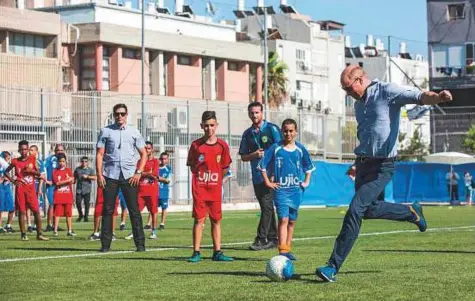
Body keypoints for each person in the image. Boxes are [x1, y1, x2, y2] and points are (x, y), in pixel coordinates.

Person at [315, 65, 453, 282]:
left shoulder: (387, 91)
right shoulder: (359, 105)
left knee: (355, 209)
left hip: (382, 166)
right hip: (363, 164)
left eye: (349, 89)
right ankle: (411, 213)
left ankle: (332, 266)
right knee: (367, 211)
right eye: (344, 91)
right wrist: (358, 162)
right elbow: (368, 134)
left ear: (360, 80)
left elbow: (419, 96)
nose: (347, 94)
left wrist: (438, 97)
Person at [258, 119, 315, 261]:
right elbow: (262, 165)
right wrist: (268, 182)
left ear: (296, 132)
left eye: (291, 131)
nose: (288, 133)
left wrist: (306, 181)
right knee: (283, 219)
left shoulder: (300, 149)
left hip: (296, 190)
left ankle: (287, 249)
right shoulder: (276, 148)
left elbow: (309, 166)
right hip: (281, 190)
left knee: (292, 221)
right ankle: (282, 251)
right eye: (285, 130)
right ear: (281, 131)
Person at [96, 103, 147, 253]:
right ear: (113, 115)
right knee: (108, 210)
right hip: (110, 175)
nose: (119, 116)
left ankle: (140, 244)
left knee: (134, 210)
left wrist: (139, 172)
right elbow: (99, 154)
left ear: (126, 115)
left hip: (129, 176)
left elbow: (144, 153)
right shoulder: (106, 131)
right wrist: (99, 174)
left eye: (122, 114)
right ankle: (105, 245)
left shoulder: (134, 132)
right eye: (117, 114)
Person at [186, 111, 234, 263]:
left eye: (212, 125)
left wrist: (216, 178)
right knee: (199, 220)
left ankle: (217, 252)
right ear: (201, 126)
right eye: (206, 126)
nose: (209, 128)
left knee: (216, 220)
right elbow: (193, 166)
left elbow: (225, 167)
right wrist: (202, 178)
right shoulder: (196, 145)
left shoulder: (222, 146)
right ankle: (196, 252)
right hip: (200, 188)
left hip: (215, 189)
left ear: (217, 126)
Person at [239, 101, 282, 251]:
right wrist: (254, 154)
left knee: (266, 206)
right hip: (257, 176)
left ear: (262, 113)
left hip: (270, 176)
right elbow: (243, 157)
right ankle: (273, 239)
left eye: (257, 112)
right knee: (267, 207)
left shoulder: (272, 129)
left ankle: (260, 238)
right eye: (251, 113)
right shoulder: (247, 134)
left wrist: (274, 174)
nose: (254, 115)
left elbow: (280, 150)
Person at [4, 140, 49, 241]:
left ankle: (39, 234)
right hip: (20, 189)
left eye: (25, 149)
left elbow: (39, 173)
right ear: (19, 150)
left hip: (31, 189)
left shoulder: (32, 159)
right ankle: (23, 234)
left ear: (28, 149)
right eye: (22, 149)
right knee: (22, 211)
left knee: (37, 211)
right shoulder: (15, 161)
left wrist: (31, 171)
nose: (24, 151)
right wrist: (13, 181)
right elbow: (6, 171)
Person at [125, 141, 160, 240]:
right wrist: (145, 173)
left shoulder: (155, 161)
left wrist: (141, 173)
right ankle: (134, 231)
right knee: (135, 212)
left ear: (152, 149)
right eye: (145, 149)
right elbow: (136, 173)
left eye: (149, 148)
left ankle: (153, 232)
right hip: (140, 191)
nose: (147, 150)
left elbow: (153, 174)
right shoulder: (139, 162)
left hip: (152, 191)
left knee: (153, 212)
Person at [146, 151, 172, 231]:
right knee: (152, 208)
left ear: (167, 160)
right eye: (161, 158)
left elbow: (168, 180)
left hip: (164, 191)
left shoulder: (168, 169)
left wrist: (158, 178)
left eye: (165, 159)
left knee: (164, 208)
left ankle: (162, 224)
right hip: (154, 191)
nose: (163, 160)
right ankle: (148, 224)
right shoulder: (156, 167)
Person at [52, 153, 76, 237]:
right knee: (57, 214)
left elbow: (73, 180)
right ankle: (55, 230)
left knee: (69, 214)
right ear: (58, 162)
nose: (62, 163)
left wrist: (70, 180)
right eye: (60, 161)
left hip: (68, 196)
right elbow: (57, 182)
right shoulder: (55, 171)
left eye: (63, 161)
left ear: (66, 161)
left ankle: (69, 230)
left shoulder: (68, 170)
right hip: (58, 196)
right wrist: (67, 180)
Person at [44, 144, 66, 232]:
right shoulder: (49, 159)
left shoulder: (62, 160)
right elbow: (42, 169)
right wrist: (46, 180)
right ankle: (49, 224)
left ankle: (55, 224)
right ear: (55, 151)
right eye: (58, 150)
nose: (59, 152)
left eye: (61, 150)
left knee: (57, 204)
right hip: (50, 185)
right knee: (52, 203)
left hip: (58, 185)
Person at [27, 145, 46, 232]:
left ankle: (35, 225)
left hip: (36, 185)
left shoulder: (39, 162)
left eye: (32, 150)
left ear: (36, 151)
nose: (29, 152)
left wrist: (39, 189)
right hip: (28, 185)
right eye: (29, 150)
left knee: (36, 207)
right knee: (27, 206)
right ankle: (29, 225)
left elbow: (42, 176)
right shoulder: (26, 161)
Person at [74, 156, 96, 222]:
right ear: (81, 162)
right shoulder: (77, 169)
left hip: (87, 189)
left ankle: (86, 217)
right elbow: (74, 177)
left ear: (87, 162)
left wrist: (88, 177)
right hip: (79, 189)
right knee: (78, 202)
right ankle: (80, 215)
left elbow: (95, 177)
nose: (84, 163)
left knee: (87, 204)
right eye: (83, 161)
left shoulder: (90, 170)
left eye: (85, 161)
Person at [0, 151, 15, 234]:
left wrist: (11, 178)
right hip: (1, 188)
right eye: (7, 158)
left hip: (7, 188)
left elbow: (8, 176)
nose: (9, 160)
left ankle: (8, 226)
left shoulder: (8, 166)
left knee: (12, 208)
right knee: (0, 208)